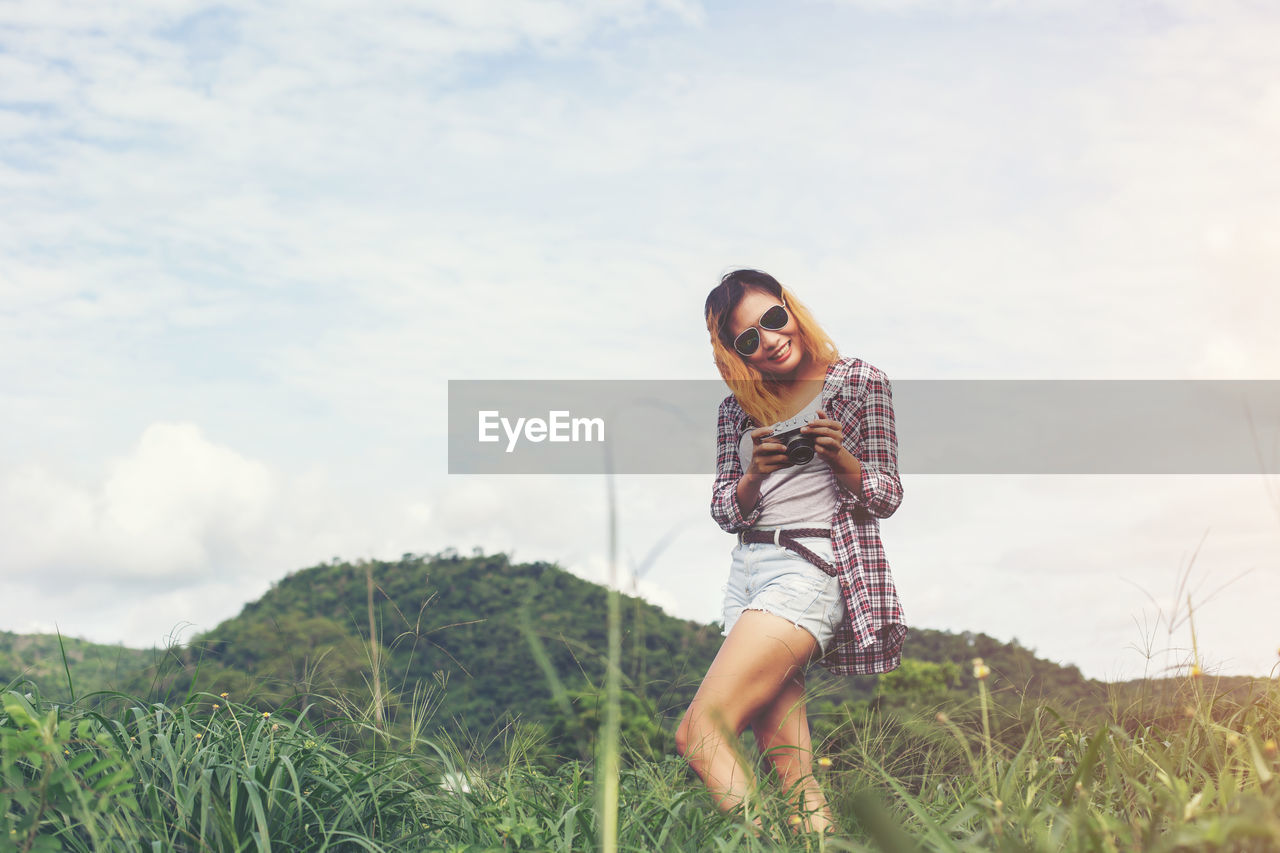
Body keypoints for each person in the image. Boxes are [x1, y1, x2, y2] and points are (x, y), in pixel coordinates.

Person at [675, 268, 906, 836]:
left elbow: (887, 495)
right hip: (747, 574)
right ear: (735, 353)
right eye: (747, 339)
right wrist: (754, 473)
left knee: (701, 732)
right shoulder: (737, 410)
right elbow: (726, 512)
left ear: (789, 308)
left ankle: (763, 848)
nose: (769, 339)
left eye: (772, 320)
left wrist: (844, 462)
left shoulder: (857, 382)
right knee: (793, 772)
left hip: (811, 567)